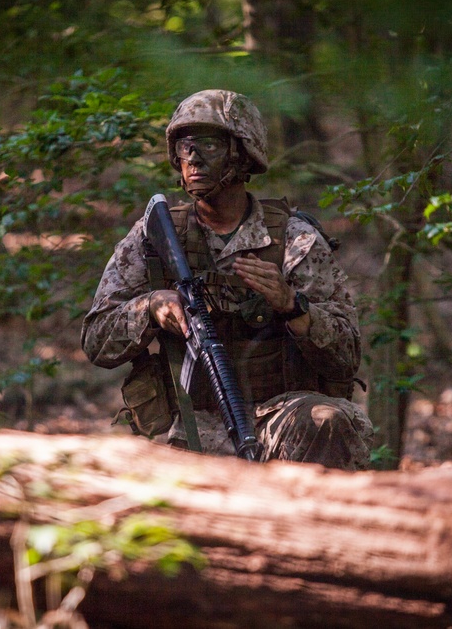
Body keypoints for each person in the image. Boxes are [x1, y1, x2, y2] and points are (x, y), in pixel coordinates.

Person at [81, 89, 373, 469]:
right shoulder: (156, 236)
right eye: (185, 148)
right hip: (187, 420)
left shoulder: (293, 239)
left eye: (209, 146)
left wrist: (292, 306)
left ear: (242, 155)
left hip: (280, 416)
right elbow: (96, 340)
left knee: (327, 421)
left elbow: (346, 357)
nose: (193, 159)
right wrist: (150, 307)